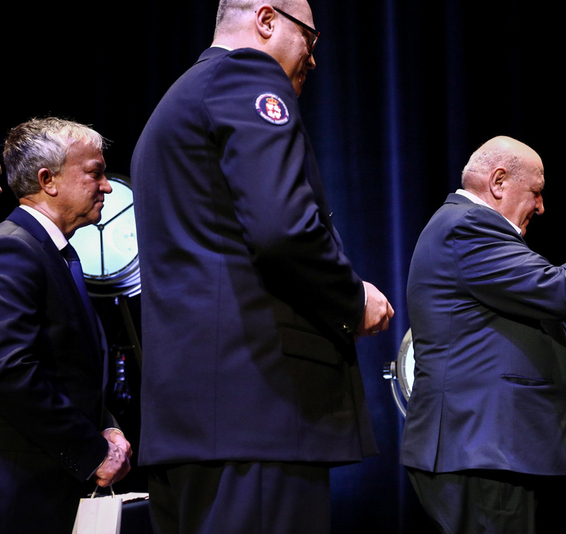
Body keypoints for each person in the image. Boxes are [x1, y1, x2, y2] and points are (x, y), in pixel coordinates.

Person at [130, 1, 394, 533]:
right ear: (267, 21)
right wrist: (352, 298)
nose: (313, 61)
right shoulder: (246, 77)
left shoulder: (176, 99)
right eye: (311, 42)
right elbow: (283, 230)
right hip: (257, 411)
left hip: (189, 421)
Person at [400, 135, 566, 533]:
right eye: (536, 192)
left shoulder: (465, 225)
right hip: (482, 449)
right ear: (498, 182)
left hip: (488, 450)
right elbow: (557, 290)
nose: (541, 207)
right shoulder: (468, 226)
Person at [0, 117, 132, 533]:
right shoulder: (13, 247)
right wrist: (92, 450)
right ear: (48, 180)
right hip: (27, 494)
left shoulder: (56, 252)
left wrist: (108, 427)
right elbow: (11, 370)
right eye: (95, 172)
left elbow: (72, 368)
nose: (107, 186)